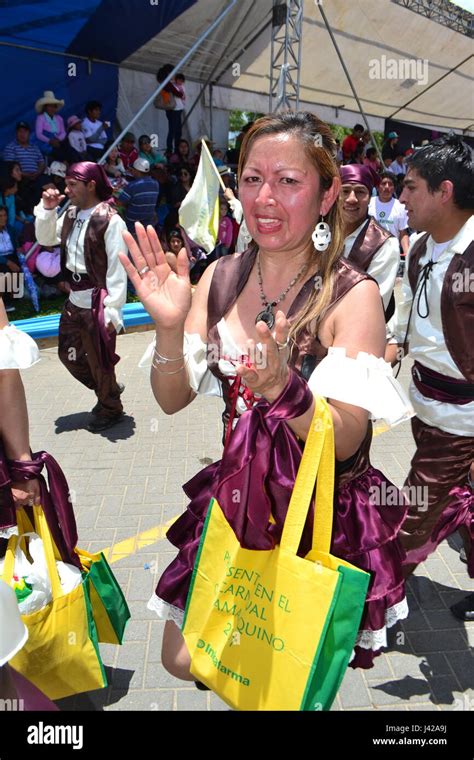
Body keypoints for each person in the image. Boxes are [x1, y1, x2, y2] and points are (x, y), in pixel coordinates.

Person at [119, 111, 412, 678]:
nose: (265, 197)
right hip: (239, 495)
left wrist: (283, 387)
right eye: (252, 179)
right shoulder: (220, 276)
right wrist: (168, 328)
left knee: (282, 672)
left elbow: (348, 439)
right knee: (187, 658)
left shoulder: (353, 296)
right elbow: (171, 399)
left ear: (327, 196)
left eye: (288, 181)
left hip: (317, 512)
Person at [385, 135, 474, 618]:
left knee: (415, 505)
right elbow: (409, 300)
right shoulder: (421, 246)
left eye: (411, 188)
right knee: (462, 495)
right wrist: (395, 340)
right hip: (425, 399)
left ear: (444, 192)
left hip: (463, 414)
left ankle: (382, 595)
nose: (402, 198)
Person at [34, 162, 128, 432]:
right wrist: (49, 210)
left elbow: (117, 269)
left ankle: (110, 407)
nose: (66, 189)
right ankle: (107, 389)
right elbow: (47, 237)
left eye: (72, 184)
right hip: (74, 300)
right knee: (68, 355)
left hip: (96, 302)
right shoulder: (72, 214)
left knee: (100, 360)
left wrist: (113, 310)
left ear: (91, 185)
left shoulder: (111, 220)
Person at [340, 165, 399, 321]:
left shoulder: (384, 245)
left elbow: (372, 310)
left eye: (360, 192)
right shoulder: (320, 233)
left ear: (370, 198)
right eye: (345, 191)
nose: (351, 199)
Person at [3, 123, 45, 213]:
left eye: (25, 131)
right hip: (20, 179)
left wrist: (38, 172)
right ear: (16, 133)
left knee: (46, 182)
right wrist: (24, 174)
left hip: (36, 176)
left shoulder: (34, 147)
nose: (22, 134)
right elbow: (9, 167)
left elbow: (41, 162)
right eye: (20, 131)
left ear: (29, 133)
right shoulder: (11, 147)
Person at [369, 172, 410, 258]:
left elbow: (403, 233)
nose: (387, 187)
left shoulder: (400, 206)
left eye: (390, 184)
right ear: (377, 187)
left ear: (394, 188)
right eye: (383, 184)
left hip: (391, 253)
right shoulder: (369, 204)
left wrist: (407, 253)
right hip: (370, 252)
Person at [117, 158, 160, 233]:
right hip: (149, 225)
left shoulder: (133, 185)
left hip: (133, 225)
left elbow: (119, 203)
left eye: (132, 170)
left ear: (136, 171)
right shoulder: (156, 184)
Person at [155, 65, 185, 155]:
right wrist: (180, 92)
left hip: (174, 109)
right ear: (169, 73)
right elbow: (178, 94)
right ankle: (171, 150)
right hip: (174, 110)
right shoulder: (167, 83)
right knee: (174, 131)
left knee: (176, 130)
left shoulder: (167, 82)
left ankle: (174, 149)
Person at [34, 90, 66, 159]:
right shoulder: (40, 118)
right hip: (46, 143)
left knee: (68, 149)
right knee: (58, 154)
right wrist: (50, 141)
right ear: (45, 107)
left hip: (58, 141)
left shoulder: (59, 118)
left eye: (54, 106)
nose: (52, 109)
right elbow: (39, 134)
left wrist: (58, 139)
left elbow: (63, 132)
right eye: (50, 106)